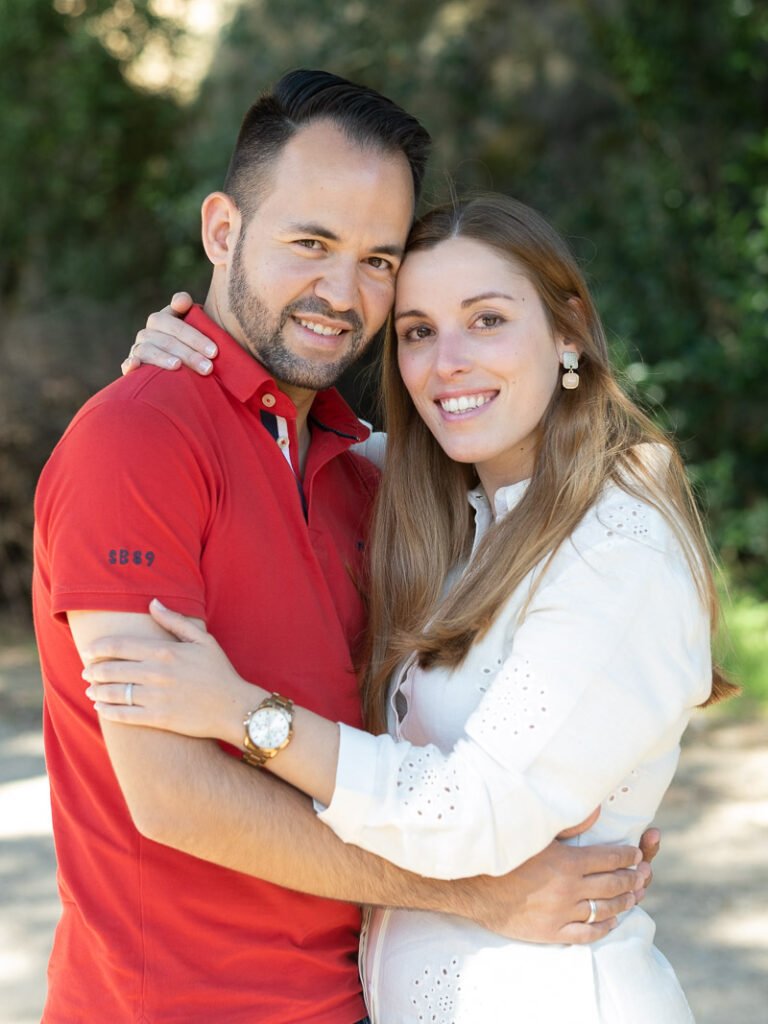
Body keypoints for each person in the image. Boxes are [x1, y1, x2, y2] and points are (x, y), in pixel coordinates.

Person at [33, 72, 651, 1024]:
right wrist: (479, 892)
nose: (341, 292)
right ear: (223, 231)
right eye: (311, 243)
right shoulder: (139, 440)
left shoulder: (362, 468)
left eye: (377, 260)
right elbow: (173, 797)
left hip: (353, 1000)